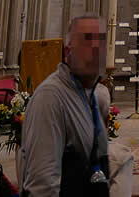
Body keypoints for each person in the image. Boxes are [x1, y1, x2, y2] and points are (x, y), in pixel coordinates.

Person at [21, 14, 110, 196]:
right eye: (87, 40)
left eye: (100, 40)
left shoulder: (94, 95)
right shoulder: (50, 98)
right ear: (68, 51)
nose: (95, 48)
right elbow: (42, 186)